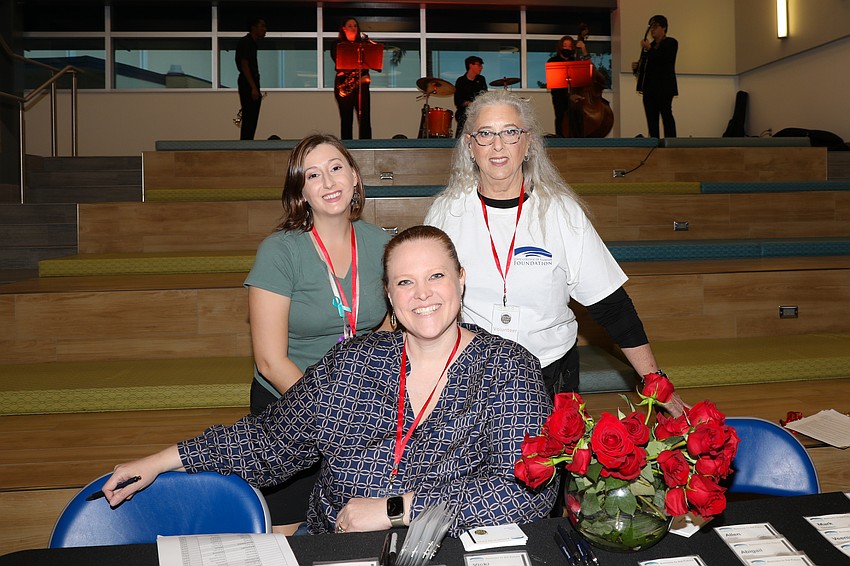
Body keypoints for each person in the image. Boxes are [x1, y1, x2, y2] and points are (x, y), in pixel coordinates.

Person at [102, 225, 558, 536]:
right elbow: (269, 441)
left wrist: (394, 510)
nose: (422, 294)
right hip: (334, 547)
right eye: (404, 282)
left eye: (436, 276)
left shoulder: (508, 368)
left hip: (442, 549)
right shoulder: (352, 362)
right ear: (388, 295)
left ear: (460, 279)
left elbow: (524, 488)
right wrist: (160, 461)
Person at [424, 90, 688, 416]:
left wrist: (655, 381)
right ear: (469, 145)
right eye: (485, 134)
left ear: (528, 143)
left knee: (551, 467)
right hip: (472, 373)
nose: (497, 145)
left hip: (551, 374)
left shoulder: (562, 213)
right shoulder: (446, 213)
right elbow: (426, 302)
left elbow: (613, 308)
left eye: (510, 132)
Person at [244, 133, 392, 532]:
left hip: (361, 407)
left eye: (336, 168)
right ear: (301, 193)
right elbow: (270, 361)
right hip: (290, 405)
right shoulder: (280, 251)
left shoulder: (382, 244)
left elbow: (385, 327)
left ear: (355, 178)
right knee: (286, 530)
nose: (328, 182)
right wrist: (331, 413)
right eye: (313, 175)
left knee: (358, 524)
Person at [631, 15, 678, 138]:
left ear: (664, 28)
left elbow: (663, 60)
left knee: (666, 116)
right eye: (651, 27)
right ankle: (654, 144)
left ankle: (671, 143)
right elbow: (645, 68)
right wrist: (636, 68)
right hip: (649, 89)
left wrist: (649, 49)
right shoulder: (649, 46)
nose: (652, 30)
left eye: (655, 27)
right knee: (652, 120)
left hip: (664, 88)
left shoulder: (671, 43)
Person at [332, 17, 374, 140]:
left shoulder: (363, 44)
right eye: (350, 26)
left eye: (355, 25)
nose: (353, 28)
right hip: (344, 83)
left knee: (365, 118)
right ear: (344, 29)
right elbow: (338, 62)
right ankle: (347, 146)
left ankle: (367, 146)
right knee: (346, 118)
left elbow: (371, 61)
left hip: (362, 84)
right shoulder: (337, 45)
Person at [546, 35, 587, 137]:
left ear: (573, 48)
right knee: (561, 117)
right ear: (560, 47)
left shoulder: (575, 61)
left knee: (578, 117)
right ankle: (561, 141)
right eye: (565, 46)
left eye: (570, 46)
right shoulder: (553, 61)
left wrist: (584, 50)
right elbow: (555, 84)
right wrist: (569, 96)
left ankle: (579, 142)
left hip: (575, 95)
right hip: (559, 96)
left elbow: (589, 69)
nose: (567, 48)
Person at [235, 17, 267, 141]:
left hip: (251, 82)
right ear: (254, 27)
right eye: (262, 26)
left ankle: (248, 142)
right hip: (248, 82)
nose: (265, 29)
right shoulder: (246, 42)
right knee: (249, 116)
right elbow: (244, 65)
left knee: (252, 116)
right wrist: (253, 87)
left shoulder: (252, 43)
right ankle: (246, 144)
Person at [453, 56, 487, 138]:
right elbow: (457, 100)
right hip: (464, 112)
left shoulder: (481, 79)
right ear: (471, 65)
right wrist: (469, 103)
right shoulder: (461, 81)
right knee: (464, 116)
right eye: (479, 65)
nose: (481, 68)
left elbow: (484, 95)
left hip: (478, 110)